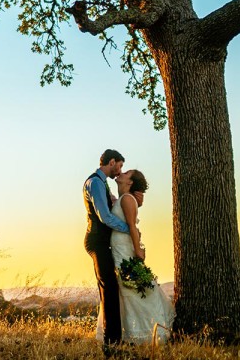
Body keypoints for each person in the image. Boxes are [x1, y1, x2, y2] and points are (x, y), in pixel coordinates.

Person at [108, 169, 175, 343]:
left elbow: (132, 226)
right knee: (124, 288)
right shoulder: (123, 199)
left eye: (126, 173)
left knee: (132, 287)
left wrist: (138, 250)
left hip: (125, 248)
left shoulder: (128, 199)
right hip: (118, 247)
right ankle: (128, 332)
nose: (120, 173)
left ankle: (145, 333)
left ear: (129, 182)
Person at [83, 149, 133, 352]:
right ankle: (111, 343)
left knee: (110, 287)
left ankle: (112, 340)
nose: (119, 171)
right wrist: (128, 229)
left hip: (103, 241)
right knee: (109, 287)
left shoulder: (101, 183)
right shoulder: (95, 182)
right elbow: (104, 217)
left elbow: (111, 205)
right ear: (111, 162)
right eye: (119, 166)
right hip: (96, 241)